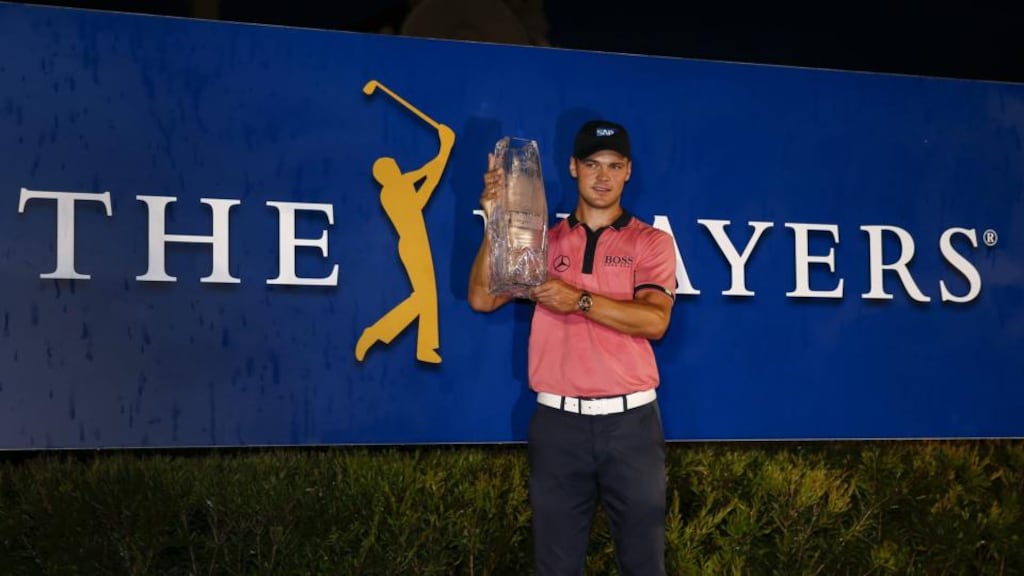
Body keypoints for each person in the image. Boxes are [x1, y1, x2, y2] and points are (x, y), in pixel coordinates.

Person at [468, 119, 678, 575]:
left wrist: (577, 299)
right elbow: (483, 297)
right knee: (555, 566)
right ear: (572, 168)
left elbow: (655, 320)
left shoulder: (651, 242)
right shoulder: (543, 239)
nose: (602, 176)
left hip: (632, 425)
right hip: (558, 425)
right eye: (591, 164)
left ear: (628, 172)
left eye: (613, 165)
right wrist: (497, 218)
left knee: (645, 564)